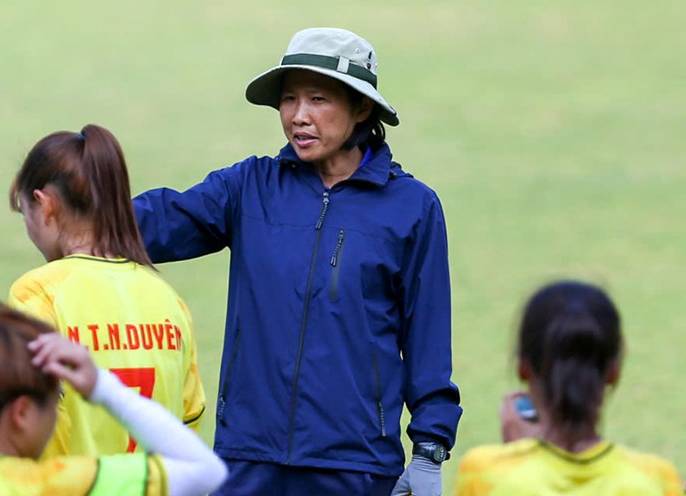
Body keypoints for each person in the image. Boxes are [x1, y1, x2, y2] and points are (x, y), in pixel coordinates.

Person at [133, 27, 461, 495]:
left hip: (356, 467)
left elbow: (428, 339)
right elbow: (160, 221)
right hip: (247, 460)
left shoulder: (413, 208)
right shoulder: (248, 187)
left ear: (362, 108)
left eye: (318, 99)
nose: (298, 117)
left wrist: (429, 452)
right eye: (289, 99)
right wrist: (80, 208)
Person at [7, 124, 205, 458]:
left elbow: (28, 430)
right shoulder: (169, 301)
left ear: (45, 206)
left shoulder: (38, 294)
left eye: (24, 212)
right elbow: (188, 426)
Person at [0, 302, 227, 496]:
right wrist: (101, 387)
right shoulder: (70, 484)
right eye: (55, 402)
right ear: (21, 412)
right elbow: (205, 470)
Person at [452, 280, 683, 495]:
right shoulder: (658, 480)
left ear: (522, 367)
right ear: (614, 371)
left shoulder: (483, 473)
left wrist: (520, 455)